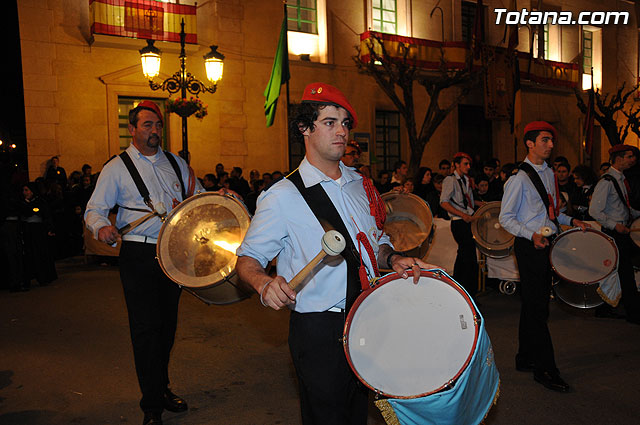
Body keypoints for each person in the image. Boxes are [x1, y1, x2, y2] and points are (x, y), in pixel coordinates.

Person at [236, 82, 432, 425]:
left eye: (345, 123)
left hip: (368, 315)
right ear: (305, 129)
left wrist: (393, 259)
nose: (341, 131)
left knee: (357, 412)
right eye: (329, 122)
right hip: (319, 328)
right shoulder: (281, 196)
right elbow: (248, 259)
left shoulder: (361, 185)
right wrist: (263, 284)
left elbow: (375, 244)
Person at [85, 100, 202, 425]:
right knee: (145, 330)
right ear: (133, 129)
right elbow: (93, 209)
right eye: (147, 125)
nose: (154, 131)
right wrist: (102, 226)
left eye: (158, 125)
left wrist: (220, 198)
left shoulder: (177, 164)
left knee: (166, 328)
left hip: (174, 254)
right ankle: (151, 405)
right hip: (138, 254)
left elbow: (198, 199)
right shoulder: (117, 168)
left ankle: (161, 387)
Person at [499, 121, 588, 393]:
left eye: (551, 140)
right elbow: (506, 218)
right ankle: (545, 368)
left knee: (533, 304)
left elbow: (551, 213)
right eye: (545, 140)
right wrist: (531, 235)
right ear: (530, 143)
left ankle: (525, 357)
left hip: (545, 241)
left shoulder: (549, 173)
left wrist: (572, 219)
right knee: (539, 309)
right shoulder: (518, 179)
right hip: (530, 246)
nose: (550, 145)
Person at [589, 144, 640, 325]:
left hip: (622, 231)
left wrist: (634, 215)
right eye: (629, 156)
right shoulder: (607, 182)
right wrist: (615, 225)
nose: (632, 160)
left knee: (621, 272)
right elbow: (594, 211)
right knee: (623, 272)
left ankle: (609, 308)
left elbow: (621, 206)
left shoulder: (620, 179)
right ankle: (632, 313)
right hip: (614, 234)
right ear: (619, 158)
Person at [440, 152, 479, 298]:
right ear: (456, 165)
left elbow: (469, 202)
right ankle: (465, 290)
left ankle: (464, 291)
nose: (468, 167)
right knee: (467, 256)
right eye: (465, 164)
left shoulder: (466, 180)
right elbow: (444, 202)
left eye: (469, 164)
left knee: (465, 256)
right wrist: (463, 215)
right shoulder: (450, 180)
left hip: (467, 220)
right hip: (459, 222)